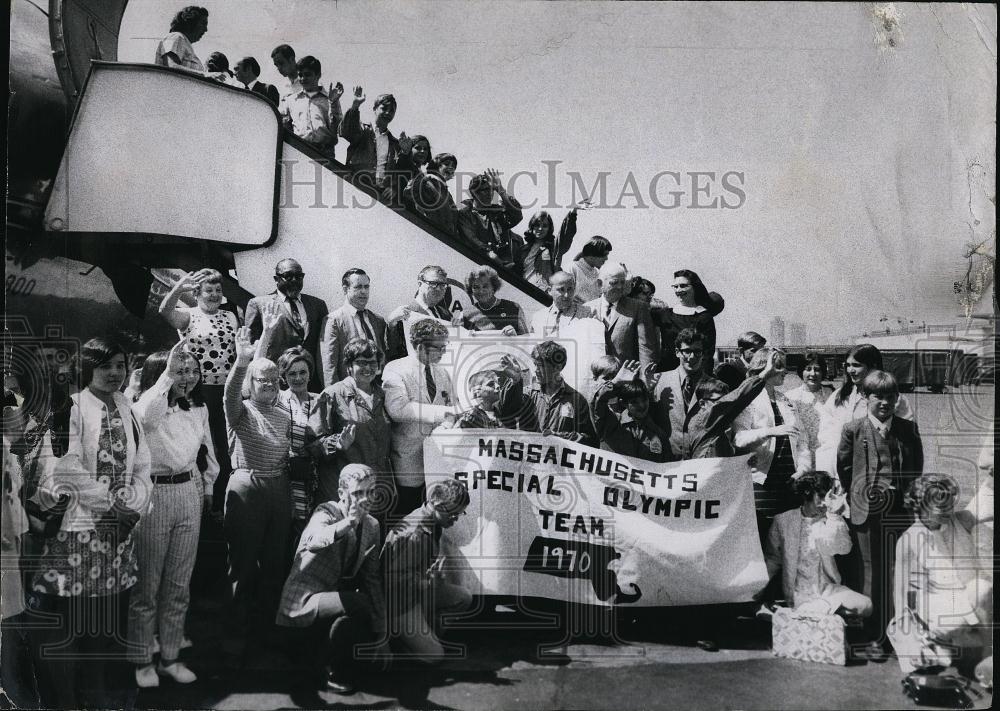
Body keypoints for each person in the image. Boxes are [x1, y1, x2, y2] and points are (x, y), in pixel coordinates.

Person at [29, 338, 152, 709]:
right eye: (105, 366)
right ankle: (70, 700)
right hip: (79, 532)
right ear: (88, 368)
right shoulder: (73, 406)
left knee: (104, 626)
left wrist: (133, 508)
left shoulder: (128, 407)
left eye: (119, 365)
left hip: (118, 536)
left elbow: (143, 464)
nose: (114, 373)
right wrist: (111, 506)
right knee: (73, 627)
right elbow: (67, 465)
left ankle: (98, 697)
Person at [128, 342, 216, 688]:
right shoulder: (146, 408)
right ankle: (141, 661)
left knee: (179, 584)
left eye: (192, 370)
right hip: (154, 494)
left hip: (187, 492)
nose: (188, 377)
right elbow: (145, 413)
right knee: (147, 585)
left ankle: (170, 657)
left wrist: (207, 487)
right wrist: (166, 377)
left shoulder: (198, 409)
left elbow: (207, 451)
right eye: (180, 370)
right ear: (161, 375)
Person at [276, 464, 388, 694]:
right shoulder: (325, 512)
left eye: (371, 491)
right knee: (358, 604)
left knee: (360, 611)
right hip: (301, 606)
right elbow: (314, 541)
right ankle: (322, 669)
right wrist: (348, 523)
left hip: (332, 607)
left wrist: (382, 634)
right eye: (358, 493)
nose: (366, 499)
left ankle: (328, 666)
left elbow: (372, 579)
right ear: (341, 494)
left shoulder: (373, 526)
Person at [837, 370, 923, 657]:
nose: (884, 403)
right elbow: (845, 469)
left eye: (890, 397)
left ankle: (897, 629)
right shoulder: (853, 429)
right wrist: (856, 498)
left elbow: (915, 468)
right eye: (878, 397)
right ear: (865, 397)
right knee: (870, 571)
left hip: (899, 510)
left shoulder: (908, 429)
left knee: (897, 570)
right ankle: (874, 634)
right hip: (866, 512)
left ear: (897, 399)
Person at [222, 323, 292, 658]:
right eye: (260, 379)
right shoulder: (239, 410)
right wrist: (242, 361)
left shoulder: (283, 412)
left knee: (275, 564)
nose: (267, 383)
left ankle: (270, 630)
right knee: (244, 564)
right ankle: (236, 631)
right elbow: (230, 391)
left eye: (272, 378)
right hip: (248, 486)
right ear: (251, 383)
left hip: (279, 488)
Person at [158, 268, 239, 509]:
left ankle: (222, 503)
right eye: (208, 290)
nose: (214, 295)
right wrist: (178, 289)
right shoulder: (188, 315)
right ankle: (201, 501)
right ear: (198, 293)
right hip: (197, 390)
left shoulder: (231, 317)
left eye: (218, 290)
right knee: (202, 445)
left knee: (224, 447)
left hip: (225, 390)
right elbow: (164, 311)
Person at [893, 475, 990, 671]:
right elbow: (901, 592)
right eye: (941, 506)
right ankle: (937, 640)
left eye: (950, 503)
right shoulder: (908, 540)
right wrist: (908, 633)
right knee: (979, 591)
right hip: (936, 602)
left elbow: (989, 499)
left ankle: (985, 652)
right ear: (922, 506)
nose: (948, 510)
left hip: (972, 596)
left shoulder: (963, 520)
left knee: (981, 589)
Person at [381, 479, 473, 663]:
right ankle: (395, 639)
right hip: (399, 601)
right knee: (435, 657)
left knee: (463, 598)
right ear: (437, 505)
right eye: (454, 513)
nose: (456, 519)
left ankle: (425, 633)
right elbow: (392, 583)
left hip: (417, 591)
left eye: (460, 513)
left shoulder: (432, 523)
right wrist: (427, 582)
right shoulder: (415, 534)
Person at [763, 472, 872, 617]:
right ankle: (808, 614)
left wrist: (834, 516)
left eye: (828, 498)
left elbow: (843, 548)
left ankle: (793, 615)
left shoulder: (831, 518)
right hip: (799, 594)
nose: (824, 503)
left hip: (828, 591)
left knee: (866, 605)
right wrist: (757, 590)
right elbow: (772, 560)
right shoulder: (783, 521)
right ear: (807, 493)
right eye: (821, 496)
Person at [732, 347, 812, 541]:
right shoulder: (748, 400)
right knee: (761, 539)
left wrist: (803, 468)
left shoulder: (786, 401)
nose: (784, 370)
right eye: (778, 366)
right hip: (761, 482)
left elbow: (802, 440)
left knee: (787, 543)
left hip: (790, 482)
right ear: (763, 367)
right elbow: (739, 438)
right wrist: (770, 432)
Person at [382, 319, 457, 517]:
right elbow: (398, 409)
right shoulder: (395, 369)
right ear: (420, 346)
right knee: (408, 519)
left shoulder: (442, 374)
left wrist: (449, 422)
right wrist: (442, 414)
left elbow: (451, 407)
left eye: (444, 346)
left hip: (438, 463)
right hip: (408, 465)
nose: (443, 352)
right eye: (438, 347)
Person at [816, 343, 913, 474]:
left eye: (856, 365)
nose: (850, 370)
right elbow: (827, 435)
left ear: (873, 366)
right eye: (848, 365)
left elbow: (906, 439)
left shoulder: (895, 400)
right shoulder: (839, 396)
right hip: (842, 470)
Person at [316, 339, 389, 510]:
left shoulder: (383, 394)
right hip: (345, 490)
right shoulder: (332, 395)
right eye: (361, 362)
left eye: (373, 363)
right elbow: (312, 442)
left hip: (378, 488)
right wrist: (337, 444)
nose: (368, 368)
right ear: (349, 366)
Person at [245, 258, 329, 392]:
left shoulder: (317, 305)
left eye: (299, 276)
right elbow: (251, 349)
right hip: (276, 383)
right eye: (288, 276)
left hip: (310, 383)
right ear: (276, 279)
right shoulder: (259, 305)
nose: (294, 280)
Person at [276, 347, 327, 544]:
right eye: (292, 373)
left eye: (302, 372)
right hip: (283, 476)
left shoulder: (320, 400)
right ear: (283, 376)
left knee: (308, 532)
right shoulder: (276, 400)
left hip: (312, 477)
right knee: (283, 532)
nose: (298, 378)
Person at [502, 341, 597, 445]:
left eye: (541, 366)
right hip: (529, 459)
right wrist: (515, 381)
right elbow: (508, 413)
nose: (536, 370)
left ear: (558, 367)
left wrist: (559, 437)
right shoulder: (528, 393)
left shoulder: (577, 401)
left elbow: (591, 441)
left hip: (557, 459)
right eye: (535, 365)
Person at [321, 268, 392, 386]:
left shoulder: (377, 320)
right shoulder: (334, 320)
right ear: (345, 289)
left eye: (366, 287)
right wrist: (336, 398)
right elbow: (328, 366)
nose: (364, 291)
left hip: (377, 388)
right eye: (358, 287)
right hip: (350, 390)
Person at [591, 361, 673, 462]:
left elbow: (668, 466)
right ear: (624, 403)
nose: (642, 405)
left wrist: (644, 388)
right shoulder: (611, 425)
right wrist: (615, 384)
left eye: (644, 400)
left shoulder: (658, 433)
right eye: (634, 402)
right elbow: (597, 403)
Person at [585, 262, 658, 368]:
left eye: (622, 282)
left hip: (628, 376)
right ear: (600, 284)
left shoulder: (638, 308)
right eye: (614, 283)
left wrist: (645, 379)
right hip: (596, 377)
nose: (619, 287)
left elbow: (646, 348)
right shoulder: (587, 309)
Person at [652, 270, 725, 374]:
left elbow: (707, 355)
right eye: (675, 286)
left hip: (693, 374)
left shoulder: (704, 317)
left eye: (683, 286)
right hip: (666, 374)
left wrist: (702, 382)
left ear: (694, 287)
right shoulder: (664, 314)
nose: (678, 290)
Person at [386, 265, 462, 358]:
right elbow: (394, 352)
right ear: (420, 284)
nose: (438, 289)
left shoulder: (445, 314)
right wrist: (391, 325)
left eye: (442, 285)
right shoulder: (404, 314)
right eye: (433, 283)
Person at [456, 170, 525, 272]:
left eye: (492, 190)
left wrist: (501, 190)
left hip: (504, 267)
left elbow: (517, 216)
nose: (490, 194)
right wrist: (491, 255)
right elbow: (472, 240)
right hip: (478, 265)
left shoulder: (497, 212)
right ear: (474, 193)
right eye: (485, 190)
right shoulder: (465, 214)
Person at [650, 328, 708, 448]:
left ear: (703, 353)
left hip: (701, 460)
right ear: (677, 352)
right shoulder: (657, 381)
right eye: (687, 351)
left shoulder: (717, 386)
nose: (692, 357)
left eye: (697, 351)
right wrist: (647, 389)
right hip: (667, 459)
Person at [279, 56, 343, 160]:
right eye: (300, 75)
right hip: (299, 153)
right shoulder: (290, 101)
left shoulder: (330, 99)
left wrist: (333, 102)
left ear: (318, 75)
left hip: (325, 154)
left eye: (307, 74)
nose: (303, 79)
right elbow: (285, 128)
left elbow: (337, 128)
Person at [340, 88, 401, 195]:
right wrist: (355, 106)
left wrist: (393, 188)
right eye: (384, 108)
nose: (388, 113)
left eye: (392, 110)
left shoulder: (394, 143)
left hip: (380, 193)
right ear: (375, 109)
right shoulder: (363, 129)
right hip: (356, 183)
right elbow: (347, 131)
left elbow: (397, 171)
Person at [521, 204, 589, 290]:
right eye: (537, 225)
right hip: (523, 291)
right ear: (532, 226)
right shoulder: (522, 250)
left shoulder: (552, 248)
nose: (540, 228)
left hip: (543, 293)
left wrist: (572, 213)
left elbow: (565, 235)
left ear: (549, 229)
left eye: (545, 226)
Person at [783, 354, 833, 460]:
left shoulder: (832, 395)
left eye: (817, 369)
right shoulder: (789, 397)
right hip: (800, 455)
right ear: (801, 371)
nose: (813, 374)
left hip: (826, 452)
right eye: (808, 369)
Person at [462, 265, 529, 335]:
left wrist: (516, 337)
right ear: (470, 289)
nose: (481, 291)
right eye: (476, 287)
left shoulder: (513, 308)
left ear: (493, 287)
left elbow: (528, 341)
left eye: (485, 286)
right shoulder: (466, 314)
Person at [530, 271, 597, 338]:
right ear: (549, 290)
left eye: (570, 289)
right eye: (561, 290)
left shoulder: (587, 314)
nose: (566, 295)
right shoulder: (538, 317)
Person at [407, 152, 458, 235]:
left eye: (453, 167)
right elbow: (410, 195)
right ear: (436, 166)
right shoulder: (427, 180)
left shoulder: (448, 194)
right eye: (446, 164)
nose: (450, 168)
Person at [154, 6, 208, 73]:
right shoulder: (176, 37)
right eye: (203, 23)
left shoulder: (184, 42)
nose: (206, 29)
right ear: (191, 22)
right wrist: (204, 74)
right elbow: (170, 66)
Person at [568, 235, 613, 303]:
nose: (606, 258)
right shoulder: (572, 268)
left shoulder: (597, 273)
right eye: (604, 255)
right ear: (592, 255)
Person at [392, 133, 432, 206]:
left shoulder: (422, 174)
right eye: (418, 148)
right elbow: (402, 167)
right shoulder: (405, 164)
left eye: (425, 149)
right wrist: (405, 153)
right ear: (410, 149)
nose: (423, 151)